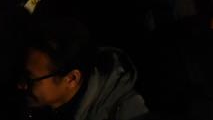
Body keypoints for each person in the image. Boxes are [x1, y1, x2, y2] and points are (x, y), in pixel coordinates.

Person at [20, 18, 148, 120]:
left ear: (71, 79)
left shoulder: (127, 112)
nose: (20, 85)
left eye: (30, 79)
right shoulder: (36, 106)